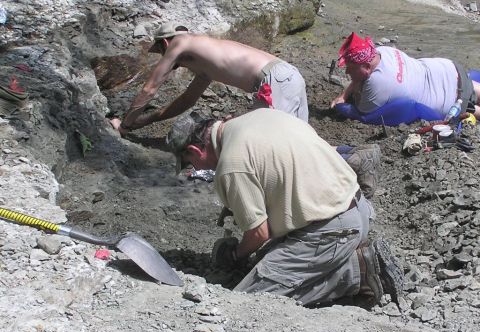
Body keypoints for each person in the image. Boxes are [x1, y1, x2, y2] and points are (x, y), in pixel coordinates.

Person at [165, 108, 404, 308]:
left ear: (195, 150)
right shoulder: (259, 116)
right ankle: (341, 260)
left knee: (249, 301)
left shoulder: (231, 163)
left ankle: (357, 271)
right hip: (357, 208)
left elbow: (259, 233)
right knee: (266, 261)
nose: (194, 169)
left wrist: (236, 255)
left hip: (332, 230)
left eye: (190, 163)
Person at [110, 22, 309, 135]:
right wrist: (145, 121)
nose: (165, 57)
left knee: (274, 141)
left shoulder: (179, 41)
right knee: (302, 141)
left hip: (274, 81)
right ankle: (340, 155)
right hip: (288, 75)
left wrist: (124, 125)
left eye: (162, 52)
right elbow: (186, 101)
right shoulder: (206, 64)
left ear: (165, 43)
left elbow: (149, 89)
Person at [330, 32, 480, 119]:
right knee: (472, 88)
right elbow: (361, 76)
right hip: (449, 70)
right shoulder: (383, 51)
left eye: (350, 68)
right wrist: (344, 94)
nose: (347, 72)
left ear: (367, 67)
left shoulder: (377, 86)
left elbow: (361, 113)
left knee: (472, 109)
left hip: (451, 100)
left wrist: (344, 102)